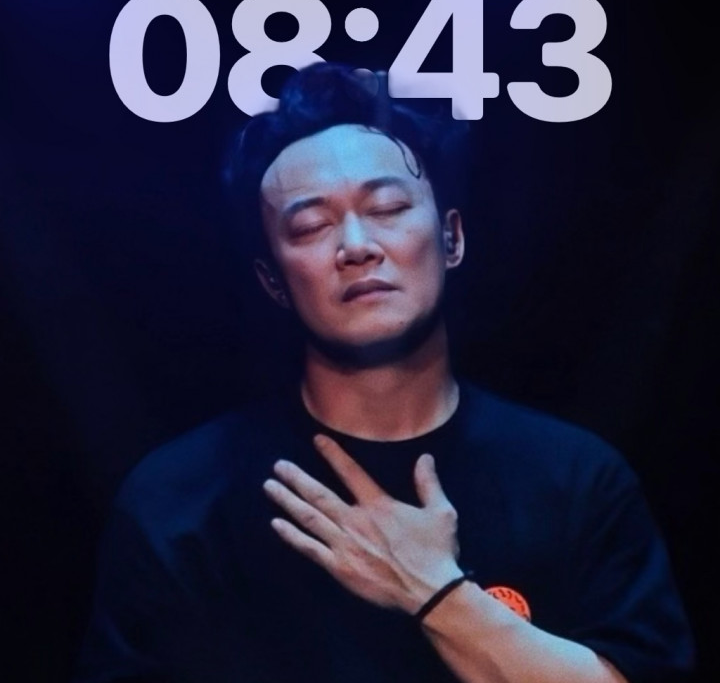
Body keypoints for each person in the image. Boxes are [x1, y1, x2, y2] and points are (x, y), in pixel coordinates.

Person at [73, 63, 694, 683]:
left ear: (451, 238)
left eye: (388, 207)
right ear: (273, 281)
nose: (356, 245)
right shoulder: (180, 500)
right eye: (311, 226)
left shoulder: (575, 480)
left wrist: (437, 593)